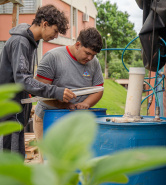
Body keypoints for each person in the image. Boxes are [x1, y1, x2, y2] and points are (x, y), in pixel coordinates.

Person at [0, 5, 76, 157]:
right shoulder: (21, 42)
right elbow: (23, 80)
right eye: (55, 31)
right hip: (8, 112)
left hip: (16, 111)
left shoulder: (30, 42)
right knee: (10, 162)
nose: (55, 36)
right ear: (44, 23)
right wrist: (56, 91)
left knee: (16, 158)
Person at [33, 27, 104, 151]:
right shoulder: (53, 57)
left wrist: (85, 103)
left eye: (93, 55)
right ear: (77, 45)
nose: (90, 58)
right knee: (49, 161)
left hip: (78, 118)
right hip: (50, 116)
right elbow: (38, 90)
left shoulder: (94, 62)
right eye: (87, 53)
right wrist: (63, 105)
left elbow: (98, 89)